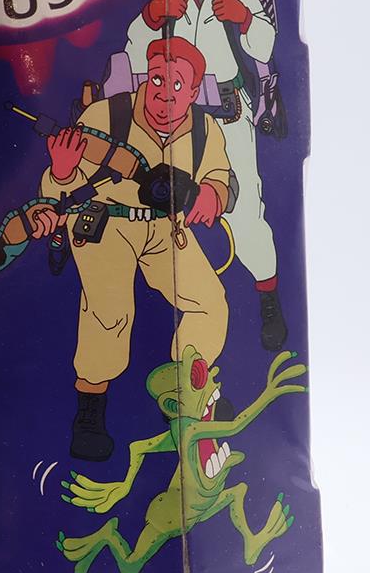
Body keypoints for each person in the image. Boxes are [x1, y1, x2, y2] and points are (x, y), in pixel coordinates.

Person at [39, 38, 232, 462]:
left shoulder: (204, 130)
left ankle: (187, 390)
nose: (164, 95)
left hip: (165, 227)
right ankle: (90, 411)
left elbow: (221, 177)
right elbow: (56, 193)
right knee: (109, 314)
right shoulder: (106, 116)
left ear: (194, 90)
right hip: (105, 222)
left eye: (177, 86)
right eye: (158, 80)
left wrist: (213, 195)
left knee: (210, 304)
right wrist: (62, 171)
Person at [125, 0, 287, 350]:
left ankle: (268, 297)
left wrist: (246, 17)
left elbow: (265, 47)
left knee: (245, 210)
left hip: (229, 114)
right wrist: (154, 15)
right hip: (179, 120)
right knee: (164, 206)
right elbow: (137, 51)